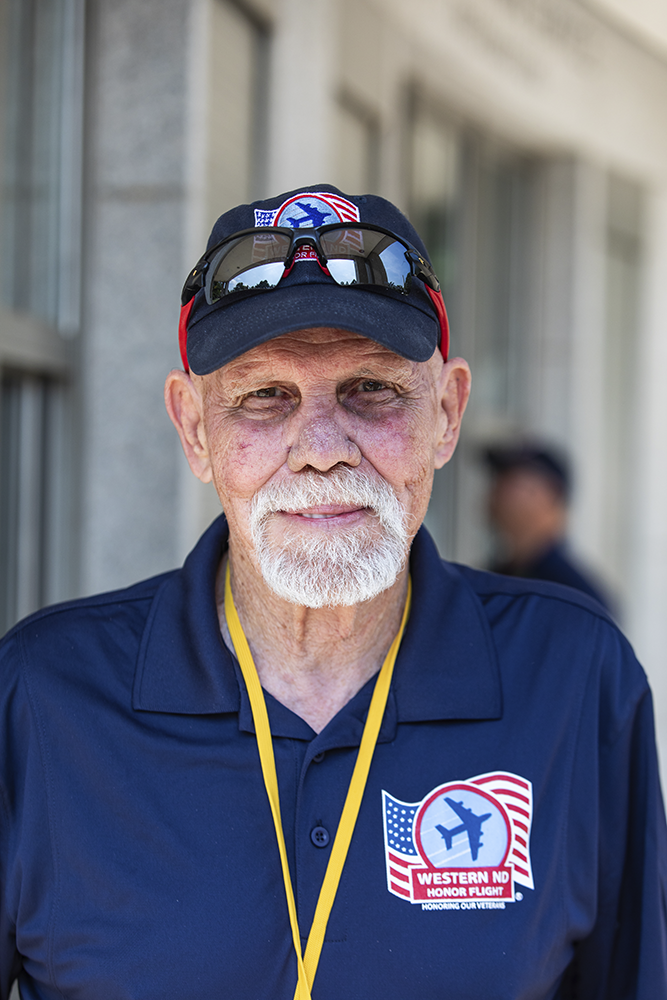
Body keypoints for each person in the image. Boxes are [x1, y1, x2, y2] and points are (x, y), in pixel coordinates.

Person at [0, 184, 664, 1000]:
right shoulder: (40, 697)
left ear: (446, 412)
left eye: (370, 389)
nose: (320, 448)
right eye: (263, 396)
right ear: (195, 429)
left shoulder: (573, 679)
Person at [484, 442, 613, 610]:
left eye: (508, 481)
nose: (494, 491)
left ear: (549, 497)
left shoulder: (574, 595)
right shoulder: (502, 575)